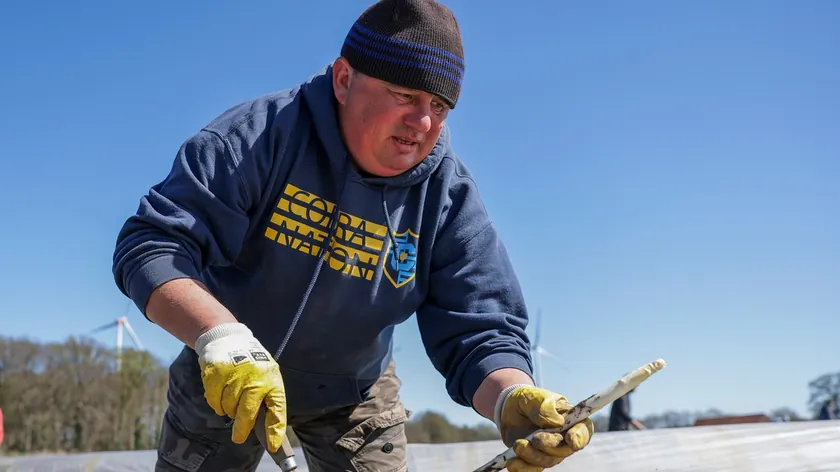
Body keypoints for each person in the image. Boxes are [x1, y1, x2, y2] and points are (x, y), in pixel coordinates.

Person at [112, 1, 594, 470]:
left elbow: (481, 326)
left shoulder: (447, 197)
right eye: (404, 95)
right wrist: (220, 338)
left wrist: (509, 395)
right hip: (228, 373)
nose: (422, 123)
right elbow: (153, 246)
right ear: (344, 80)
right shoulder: (258, 138)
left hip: (355, 391)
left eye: (440, 106)